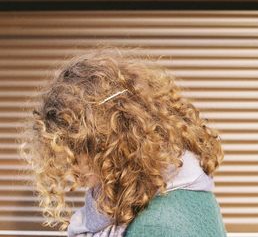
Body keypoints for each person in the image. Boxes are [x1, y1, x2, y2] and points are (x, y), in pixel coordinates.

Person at [19, 50, 227, 236]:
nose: (71, 169)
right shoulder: (180, 190)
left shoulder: (154, 226)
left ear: (106, 142)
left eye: (73, 152)